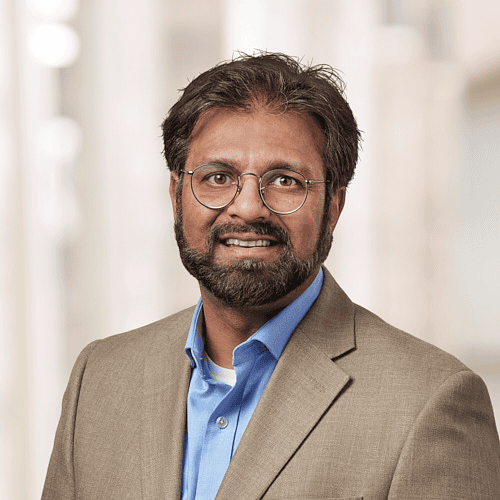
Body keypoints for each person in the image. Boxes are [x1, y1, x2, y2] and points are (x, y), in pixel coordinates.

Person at [42, 53, 500, 500]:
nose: (247, 207)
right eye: (217, 177)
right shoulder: (99, 378)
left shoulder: (430, 401)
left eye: (285, 181)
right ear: (176, 194)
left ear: (333, 206)